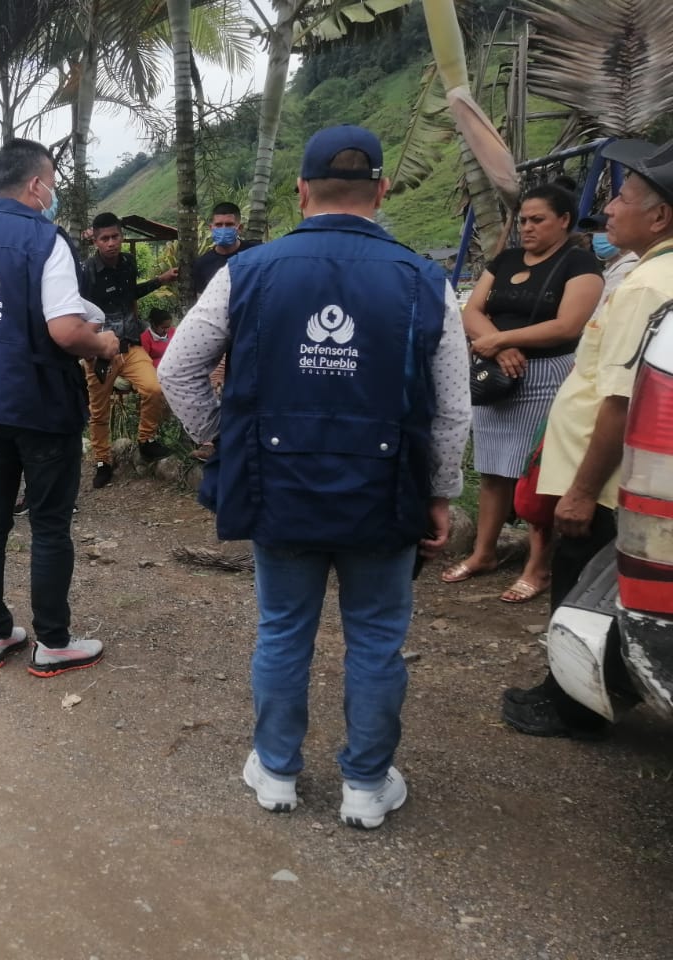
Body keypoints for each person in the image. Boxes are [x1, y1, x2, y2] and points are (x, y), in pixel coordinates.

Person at [160, 125, 471, 828]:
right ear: (383, 191)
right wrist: (441, 491)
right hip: (386, 494)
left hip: (279, 488)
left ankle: (275, 771)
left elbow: (178, 368)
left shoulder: (248, 270)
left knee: (281, 630)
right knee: (376, 638)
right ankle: (365, 784)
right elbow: (453, 405)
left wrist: (217, 444)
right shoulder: (427, 281)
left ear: (300, 191)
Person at [502, 138, 673, 738]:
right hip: (615, 476)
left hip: (600, 483)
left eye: (623, 198)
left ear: (660, 215)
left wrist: (579, 490)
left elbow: (622, 401)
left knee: (581, 592)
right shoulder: (648, 273)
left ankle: (571, 704)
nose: (611, 210)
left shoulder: (648, 286)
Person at [0, 138, 119, 677]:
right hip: (39, 404)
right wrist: (104, 344)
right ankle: (53, 642)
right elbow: (65, 329)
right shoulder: (46, 240)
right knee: (50, 524)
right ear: (37, 184)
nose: (54, 192)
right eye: (53, 182)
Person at [442, 183, 603, 604]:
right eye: (525, 220)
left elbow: (568, 325)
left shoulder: (580, 264)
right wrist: (502, 344)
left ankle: (538, 567)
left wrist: (502, 340)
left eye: (538, 220)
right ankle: (483, 553)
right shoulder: (506, 259)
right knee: (494, 469)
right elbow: (471, 310)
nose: (527, 228)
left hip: (548, 374)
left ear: (564, 221)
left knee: (539, 475)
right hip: (496, 373)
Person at [80, 211, 178, 488]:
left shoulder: (128, 262)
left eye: (115, 236)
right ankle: (102, 461)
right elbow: (77, 310)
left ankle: (146, 440)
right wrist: (87, 348)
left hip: (131, 346)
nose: (111, 243)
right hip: (100, 352)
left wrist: (160, 280)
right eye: (104, 238)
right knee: (99, 412)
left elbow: (131, 295)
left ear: (121, 236)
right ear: (96, 241)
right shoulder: (86, 272)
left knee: (154, 389)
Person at [191, 201, 260, 296]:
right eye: (219, 225)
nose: (223, 229)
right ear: (211, 228)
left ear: (239, 228)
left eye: (229, 225)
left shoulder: (256, 253)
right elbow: (202, 301)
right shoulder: (202, 264)